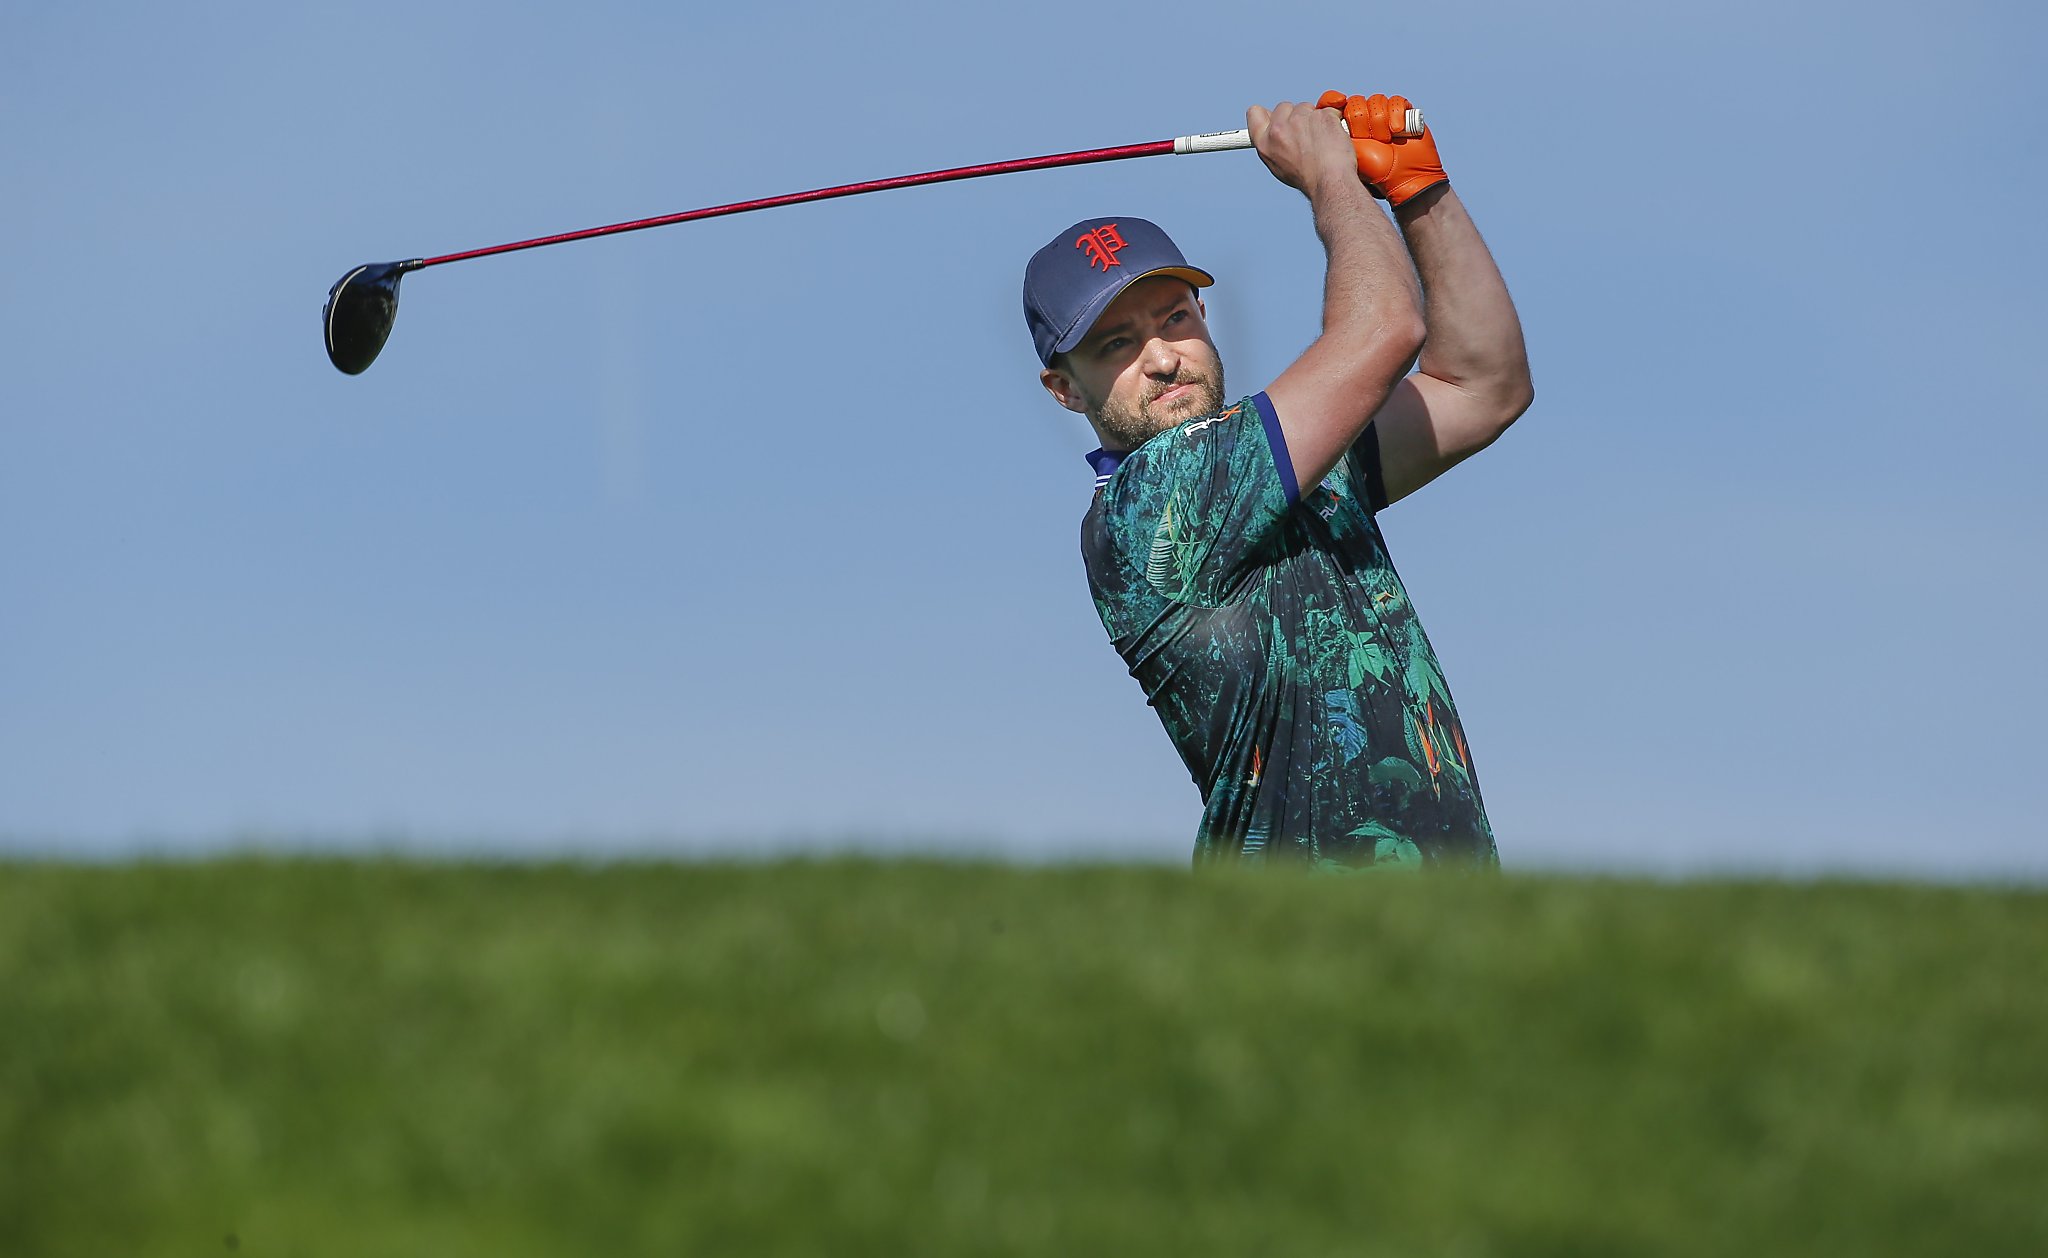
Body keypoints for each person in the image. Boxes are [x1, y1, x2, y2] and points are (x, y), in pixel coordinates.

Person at [1021, 93, 1532, 870]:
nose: (1162, 357)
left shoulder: (1281, 467)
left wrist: (1417, 189)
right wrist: (1332, 180)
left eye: (1175, 320)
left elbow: (1482, 385)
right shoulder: (1149, 503)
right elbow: (1386, 329)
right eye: (1116, 344)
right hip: (1301, 928)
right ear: (1064, 390)